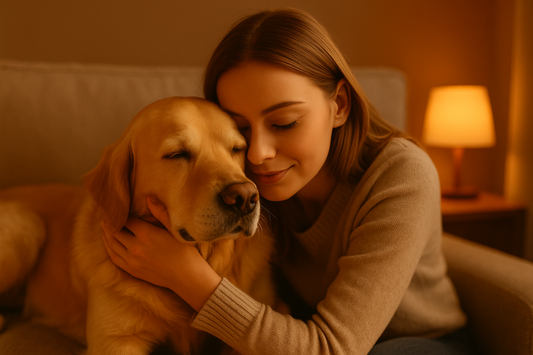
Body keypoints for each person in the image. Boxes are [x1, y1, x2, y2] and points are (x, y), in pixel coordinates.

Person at [101, 8, 474, 354]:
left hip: (416, 342)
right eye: (241, 132)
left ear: (339, 105)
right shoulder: (242, 184)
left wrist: (188, 277)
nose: (258, 153)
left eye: (284, 123)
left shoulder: (403, 175)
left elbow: (332, 349)